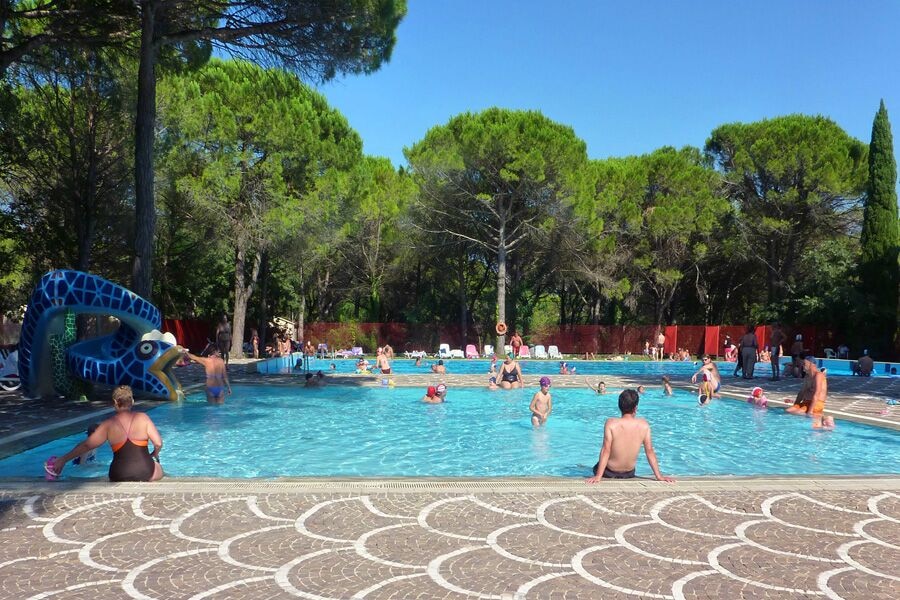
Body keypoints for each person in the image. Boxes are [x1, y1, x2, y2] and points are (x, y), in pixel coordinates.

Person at [47, 386, 164, 482]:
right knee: (158, 467)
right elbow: (158, 443)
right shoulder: (143, 418)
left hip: (118, 474)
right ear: (132, 401)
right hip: (145, 472)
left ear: (115, 402)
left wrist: (63, 460)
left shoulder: (108, 424)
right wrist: (154, 453)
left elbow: (87, 445)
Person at [585, 389, 675, 483]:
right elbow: (649, 451)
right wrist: (659, 476)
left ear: (619, 406)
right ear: (636, 408)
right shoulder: (644, 425)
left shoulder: (611, 423)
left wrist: (598, 476)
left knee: (592, 467)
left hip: (609, 472)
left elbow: (606, 450)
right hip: (629, 473)